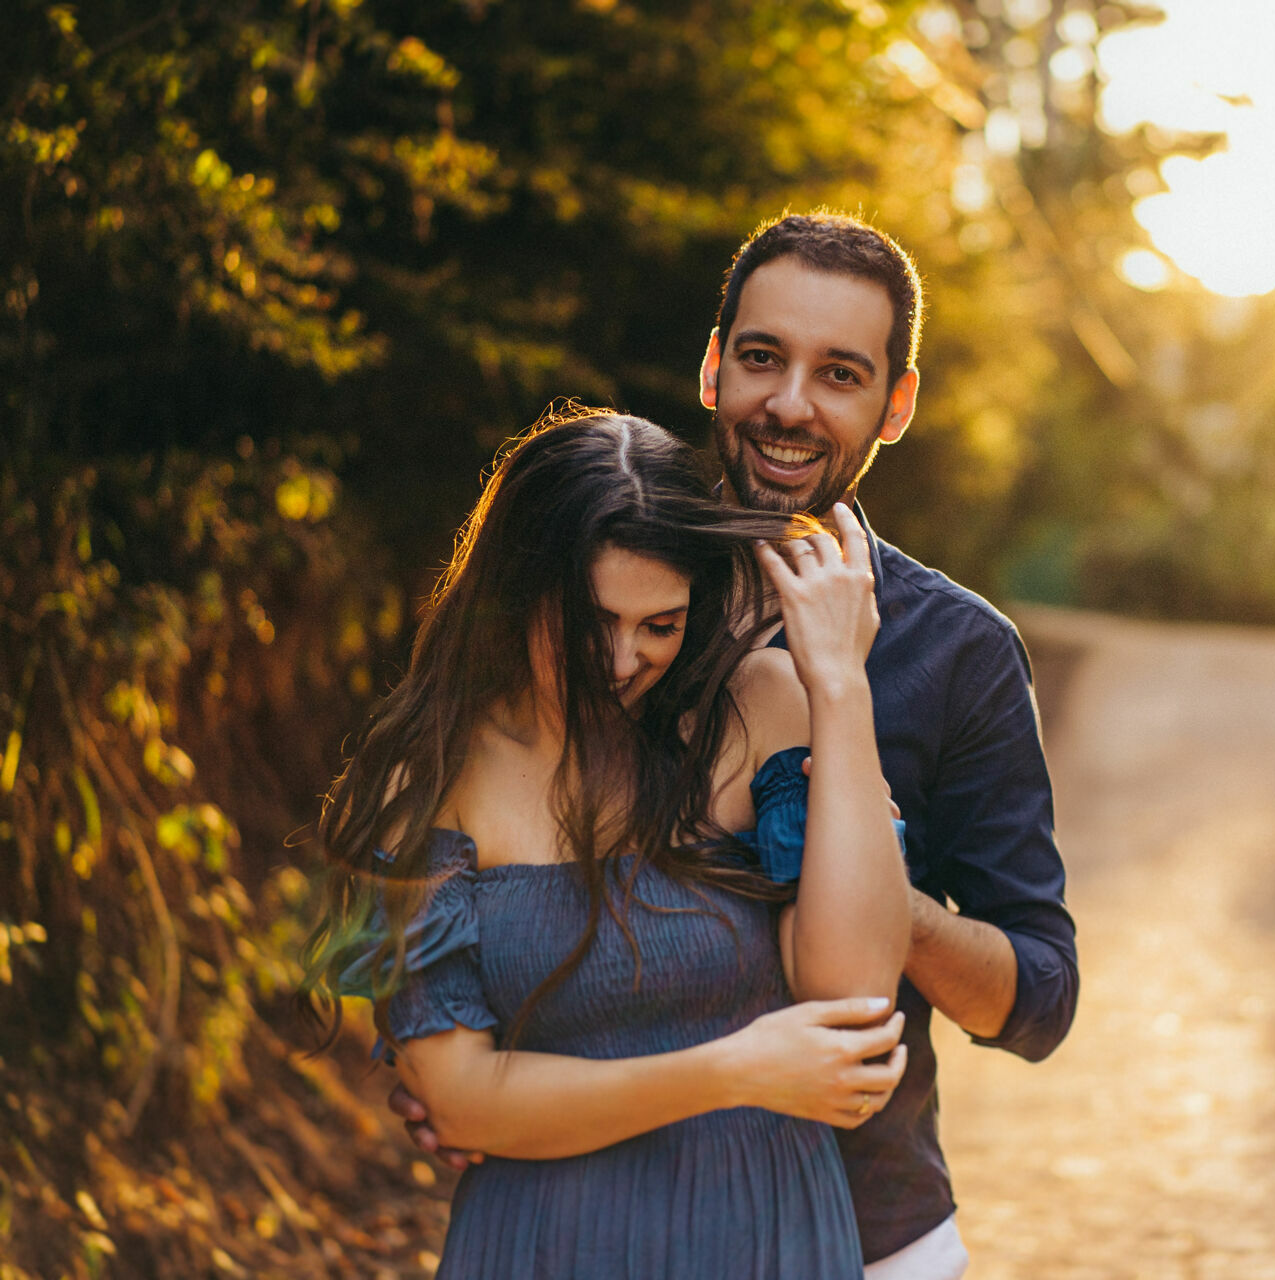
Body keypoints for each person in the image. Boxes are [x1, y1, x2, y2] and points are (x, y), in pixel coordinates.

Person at [395, 213, 1081, 1279]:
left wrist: (855, 872)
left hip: (865, 1226)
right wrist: (454, 1059)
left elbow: (1036, 994)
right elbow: (482, 862)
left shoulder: (959, 651)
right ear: (714, 367)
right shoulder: (605, 580)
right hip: (576, 1201)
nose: (791, 403)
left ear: (894, 405)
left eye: (840, 373)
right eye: (763, 357)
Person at [306, 411, 913, 1278]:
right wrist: (736, 1071)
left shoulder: (757, 712)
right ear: (517, 592)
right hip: (545, 1243)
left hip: (768, 1229)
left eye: (659, 626)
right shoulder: (432, 776)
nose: (622, 661)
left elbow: (852, 993)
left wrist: (841, 688)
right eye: (590, 622)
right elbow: (463, 1102)